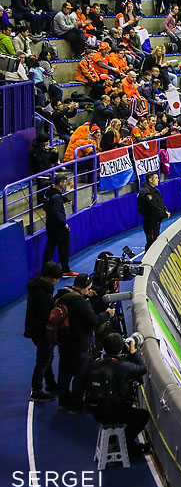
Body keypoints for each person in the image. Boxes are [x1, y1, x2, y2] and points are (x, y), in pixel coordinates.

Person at [56, 273, 115, 412]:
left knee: (64, 373)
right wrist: (107, 314)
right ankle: (76, 405)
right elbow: (94, 320)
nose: (89, 291)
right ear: (84, 287)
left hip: (63, 342)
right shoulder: (80, 302)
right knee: (80, 376)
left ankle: (63, 401)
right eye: (88, 289)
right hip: (80, 345)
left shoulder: (62, 295)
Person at [86, 333, 151, 456]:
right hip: (113, 412)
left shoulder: (96, 363)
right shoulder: (122, 366)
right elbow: (142, 368)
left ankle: (123, 443)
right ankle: (126, 445)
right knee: (143, 416)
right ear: (120, 349)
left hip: (96, 411)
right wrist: (134, 352)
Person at [24, 262, 63, 402]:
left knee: (48, 357)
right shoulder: (40, 293)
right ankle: (37, 390)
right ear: (46, 277)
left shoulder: (40, 288)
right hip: (41, 332)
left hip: (37, 330)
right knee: (43, 360)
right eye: (54, 278)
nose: (56, 281)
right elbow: (46, 314)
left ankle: (50, 383)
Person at [42, 174, 78, 278]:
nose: (65, 184)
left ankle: (44, 270)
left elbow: (46, 207)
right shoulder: (57, 197)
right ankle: (65, 270)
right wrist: (64, 224)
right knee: (63, 249)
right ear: (61, 183)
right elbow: (57, 212)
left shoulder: (48, 193)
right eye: (64, 182)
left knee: (50, 247)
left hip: (49, 224)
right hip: (59, 226)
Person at [137, 172, 169, 247]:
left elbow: (160, 203)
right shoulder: (146, 192)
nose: (158, 180)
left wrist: (165, 211)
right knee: (152, 242)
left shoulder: (155, 191)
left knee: (155, 238)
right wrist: (164, 214)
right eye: (156, 178)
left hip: (156, 221)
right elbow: (153, 207)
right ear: (150, 180)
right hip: (150, 221)